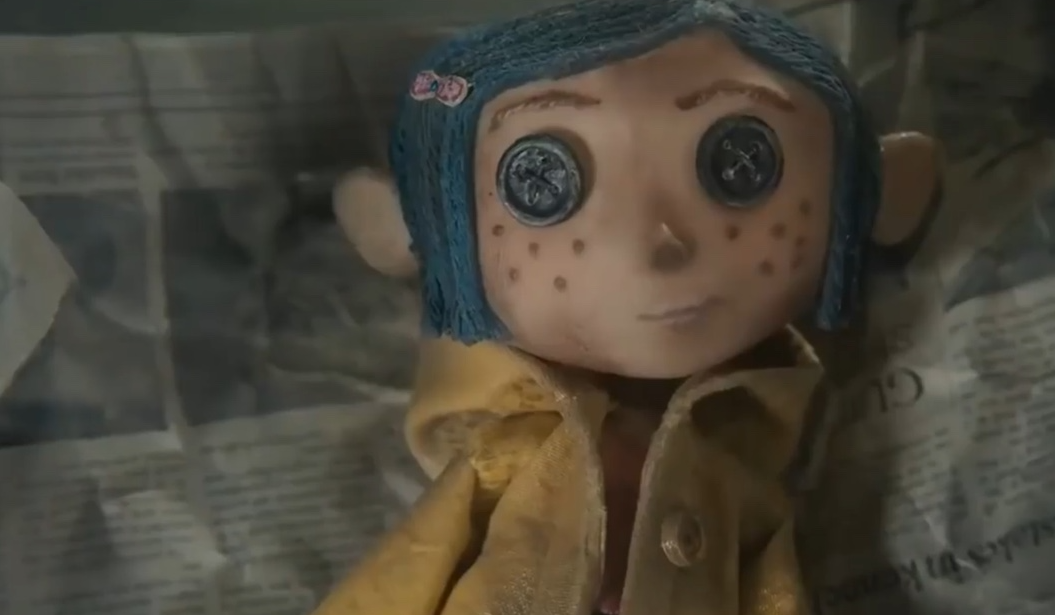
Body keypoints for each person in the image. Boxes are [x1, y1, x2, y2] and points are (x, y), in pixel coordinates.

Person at [317, 1, 941, 613]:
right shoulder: (500, 461)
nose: (657, 246)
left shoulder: (742, 469)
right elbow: (405, 572)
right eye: (541, 182)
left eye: (741, 163)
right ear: (423, 232)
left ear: (866, 197)